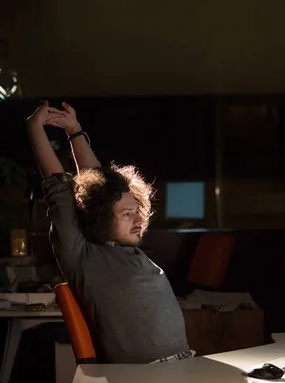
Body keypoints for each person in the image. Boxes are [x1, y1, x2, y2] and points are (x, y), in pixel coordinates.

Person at [26, 101, 194, 363]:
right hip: (147, 381)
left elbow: (100, 183)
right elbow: (58, 189)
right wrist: (35, 127)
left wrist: (75, 131)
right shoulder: (83, 255)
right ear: (101, 216)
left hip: (186, 367)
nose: (139, 219)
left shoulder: (130, 250)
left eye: (136, 210)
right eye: (127, 213)